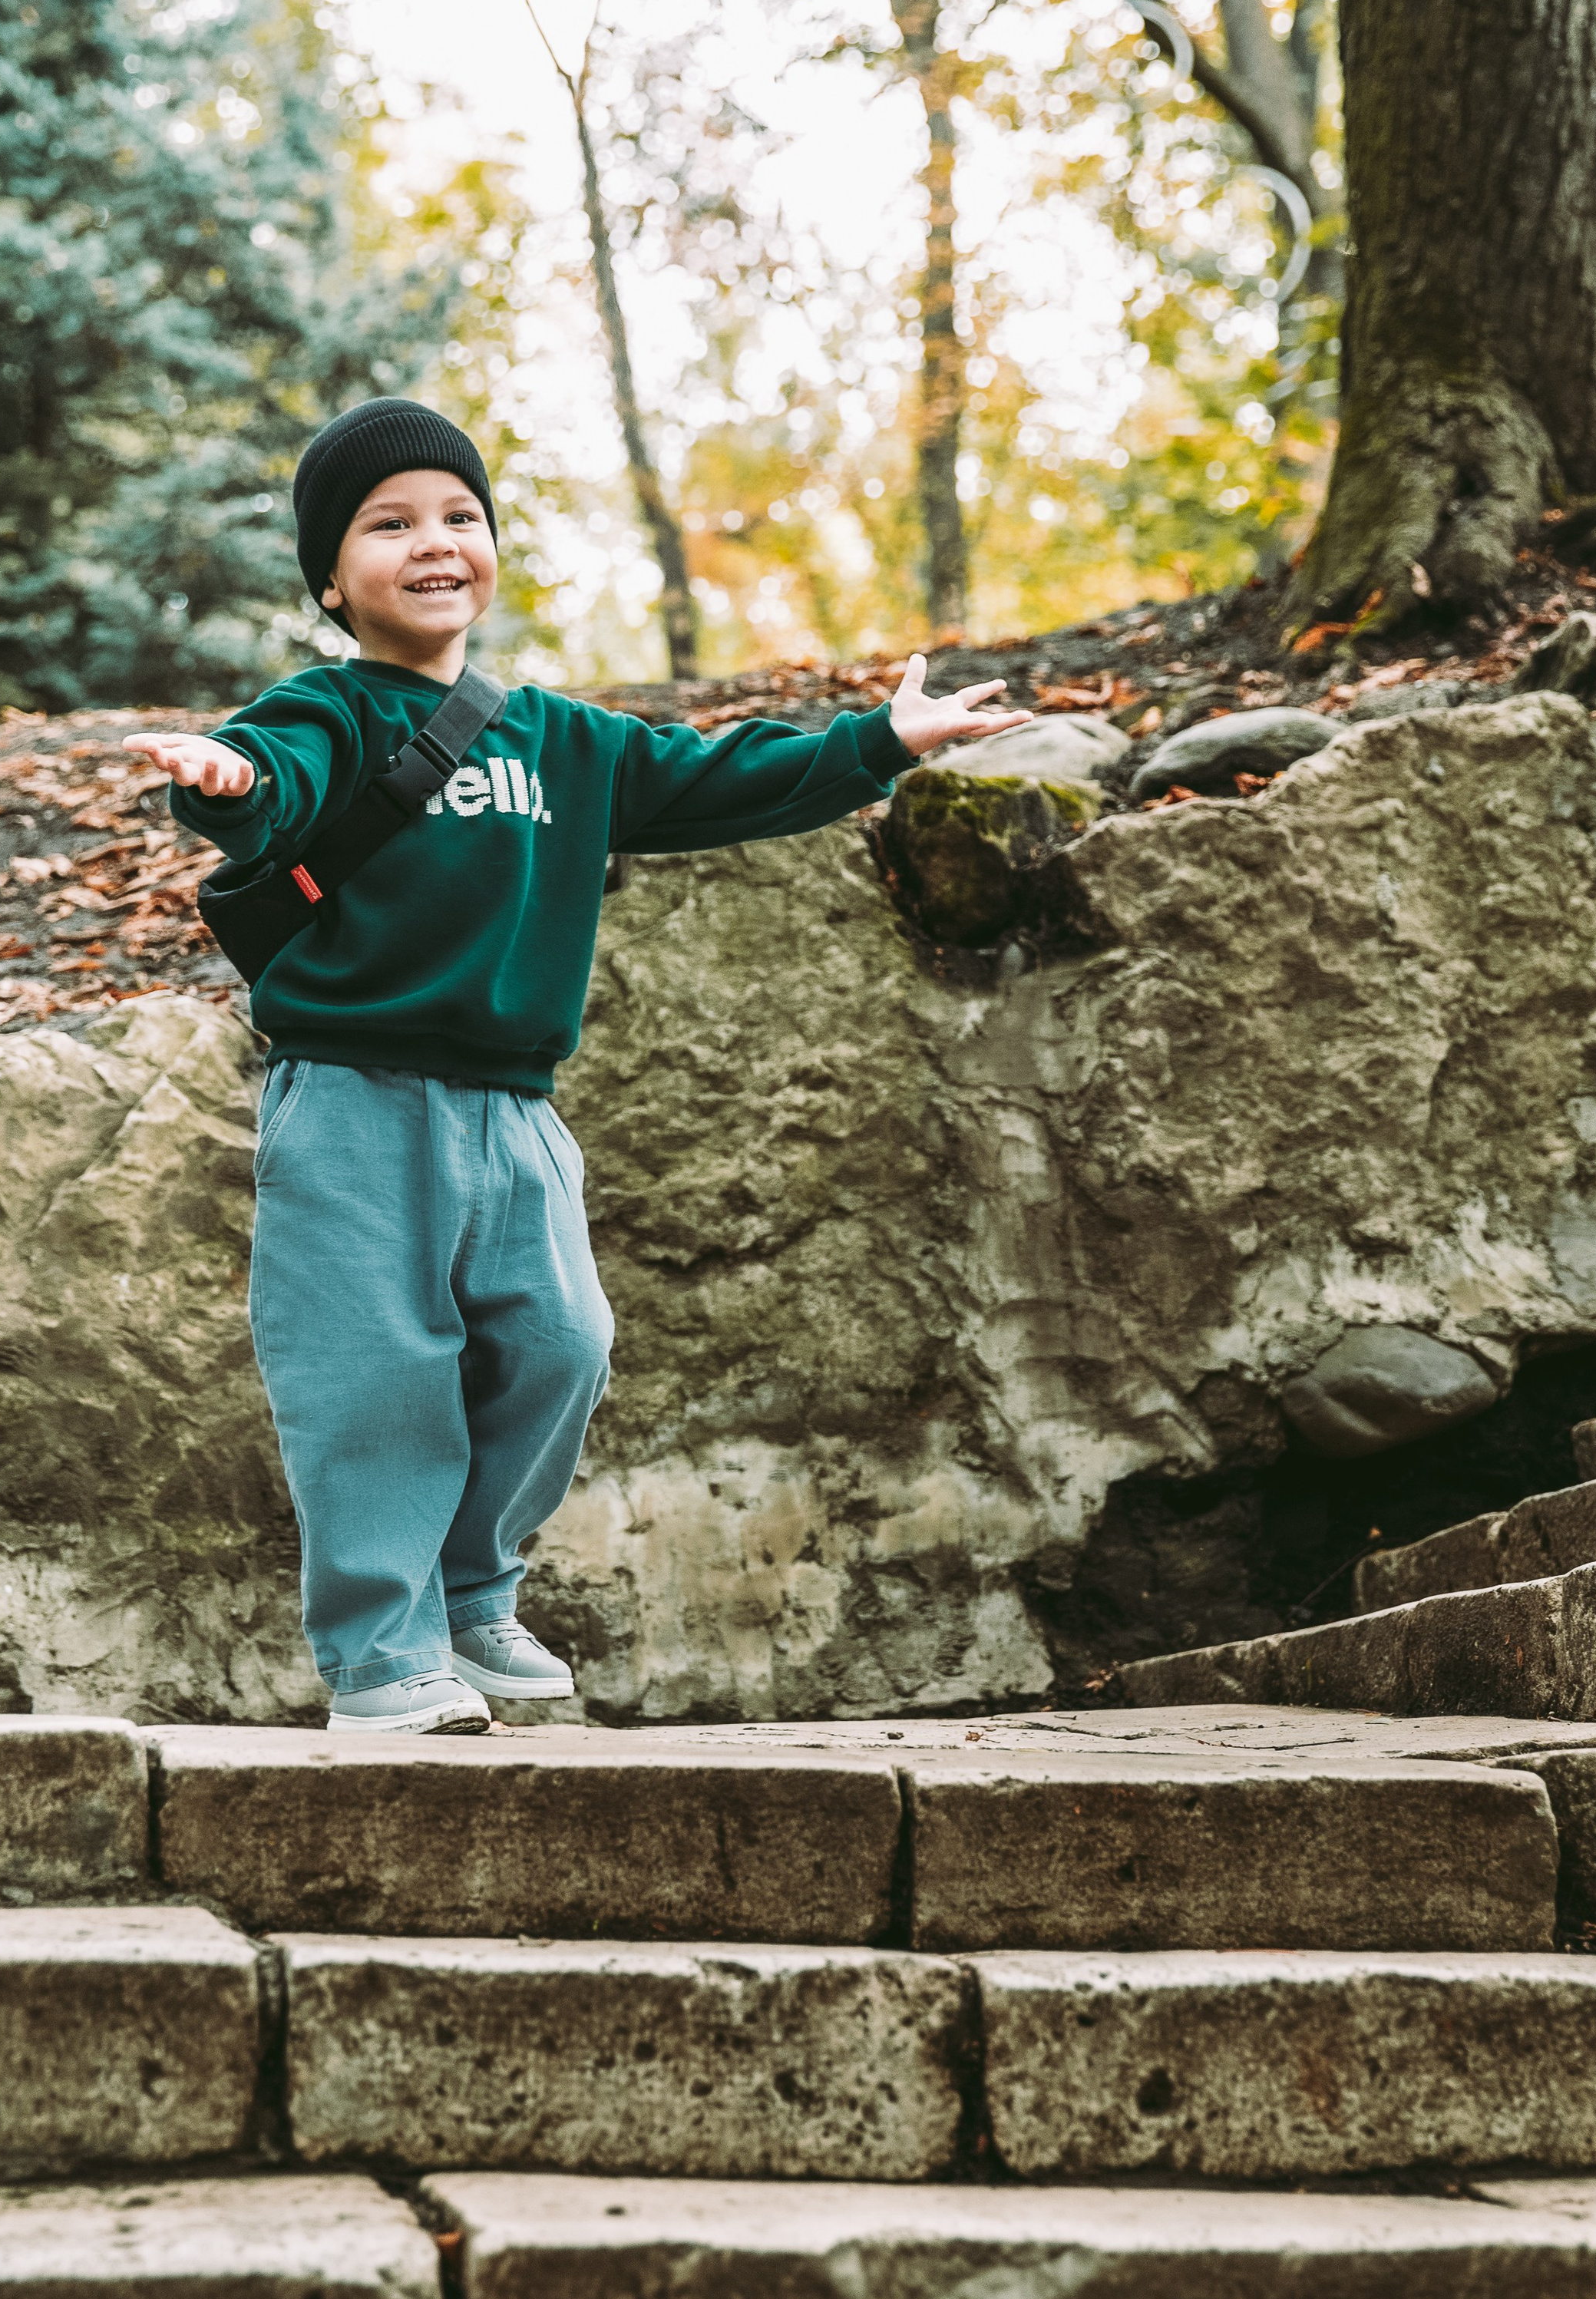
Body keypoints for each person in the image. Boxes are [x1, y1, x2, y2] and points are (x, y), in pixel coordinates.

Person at [127, 398, 1031, 1736]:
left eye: (459, 517)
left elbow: (722, 777)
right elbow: (271, 781)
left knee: (561, 1346)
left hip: (516, 1114)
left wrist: (877, 746)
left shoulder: (561, 739)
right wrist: (221, 780)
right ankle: (383, 1661)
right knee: (371, 1373)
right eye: (389, 526)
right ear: (333, 575)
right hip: (356, 1103)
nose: (434, 544)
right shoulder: (326, 712)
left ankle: (474, 1600)